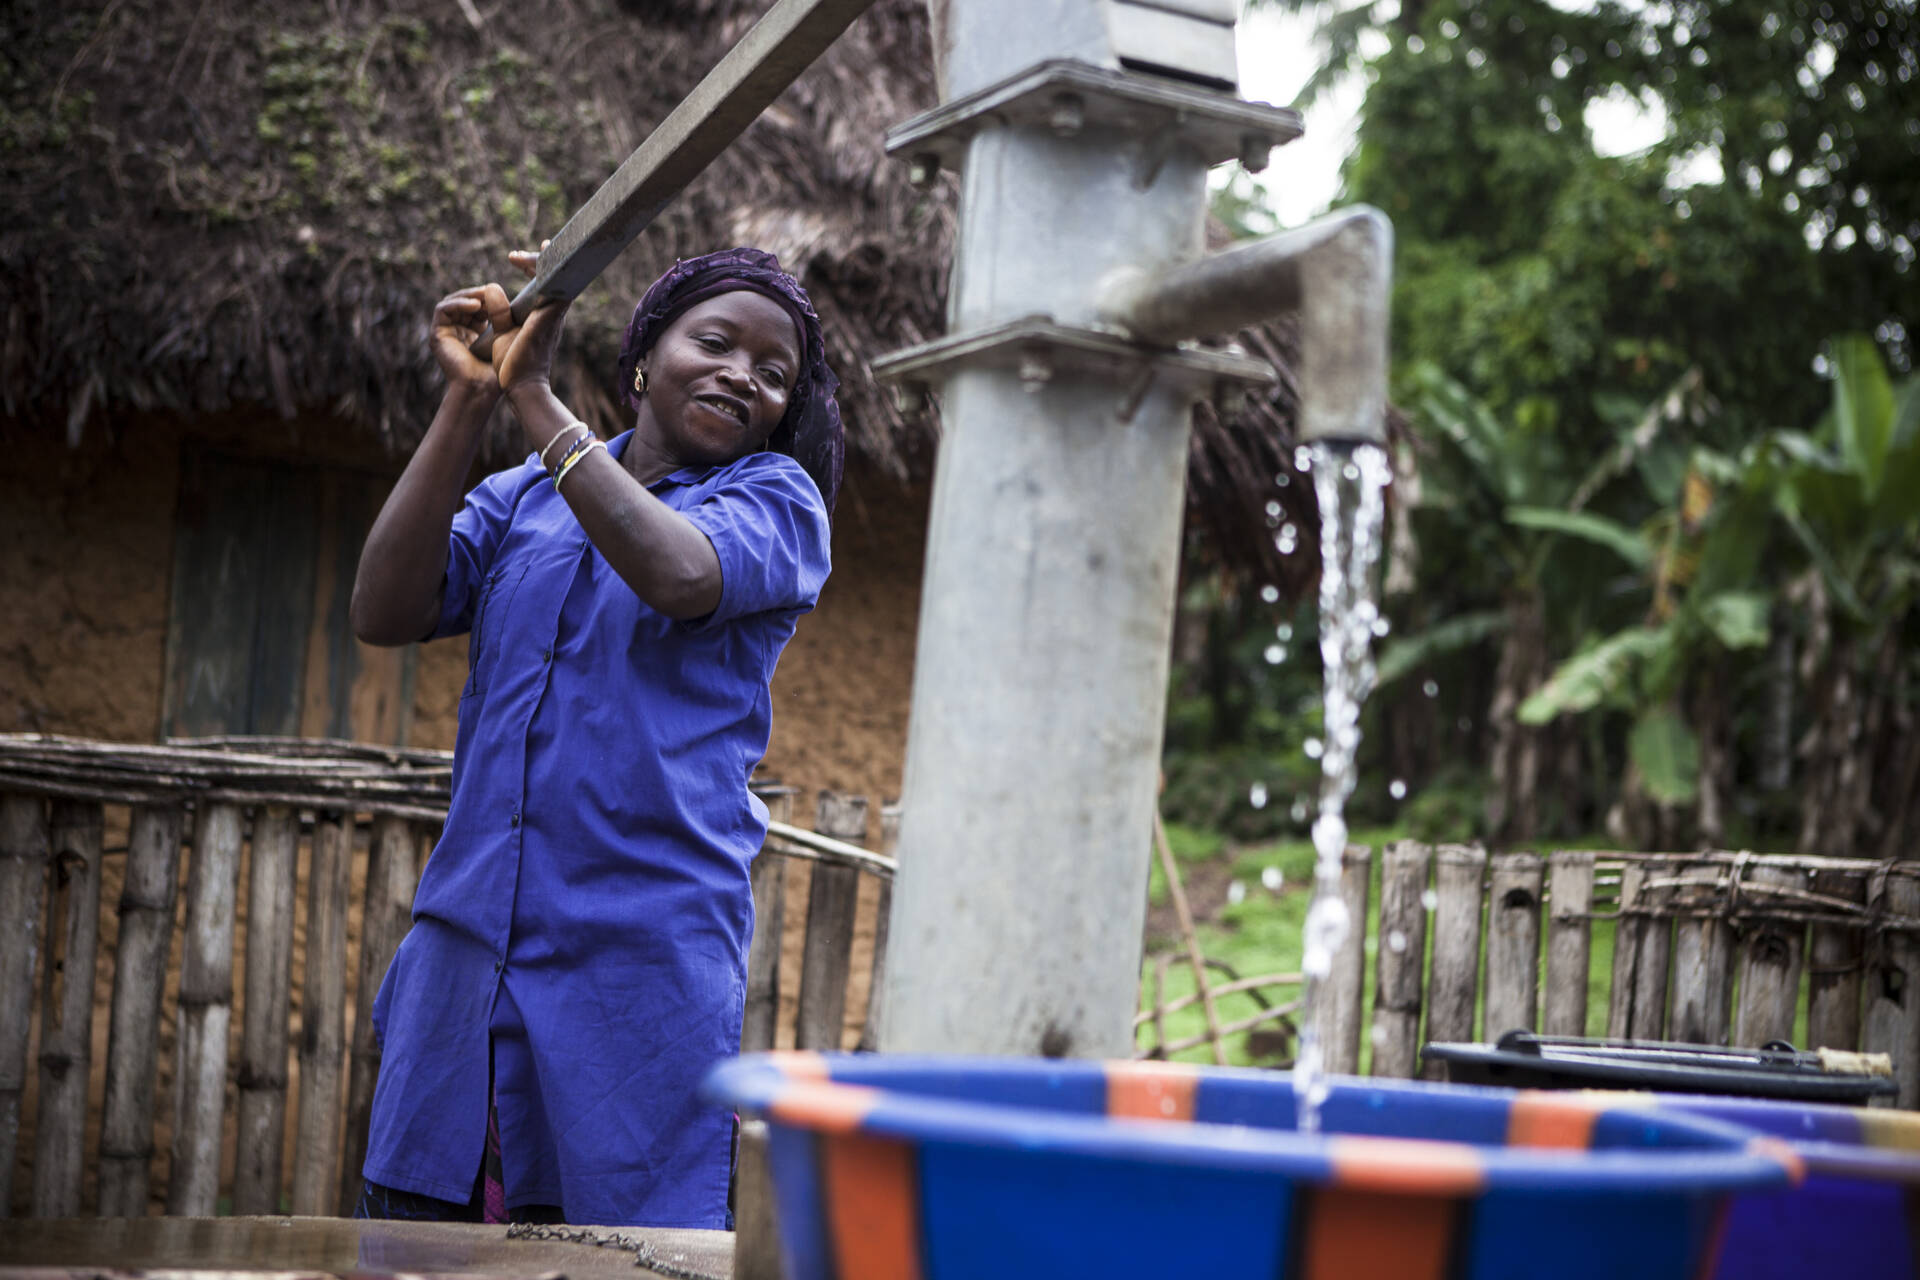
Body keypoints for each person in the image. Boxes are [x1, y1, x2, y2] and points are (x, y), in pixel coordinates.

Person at [348, 246, 840, 1227]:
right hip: (466, 942)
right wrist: (472, 400)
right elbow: (384, 608)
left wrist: (534, 399)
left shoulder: (777, 506)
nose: (744, 373)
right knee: (417, 1229)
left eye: (774, 372)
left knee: (617, 1240)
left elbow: (680, 576)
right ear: (644, 360)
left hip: (638, 958)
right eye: (715, 342)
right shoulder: (524, 501)